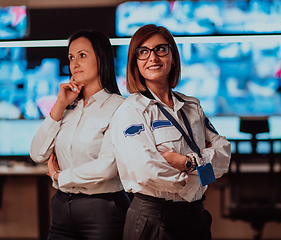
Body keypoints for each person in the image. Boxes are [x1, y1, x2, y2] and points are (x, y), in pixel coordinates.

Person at [110, 24, 231, 240]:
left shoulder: (192, 106)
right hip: (154, 218)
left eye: (161, 49)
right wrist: (202, 172)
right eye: (143, 52)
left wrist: (187, 163)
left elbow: (224, 157)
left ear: (173, 57)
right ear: (135, 62)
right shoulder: (131, 112)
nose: (153, 57)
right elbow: (146, 172)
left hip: (196, 216)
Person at [30, 30, 130, 240]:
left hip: (103, 210)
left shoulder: (120, 107)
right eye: (71, 57)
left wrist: (59, 177)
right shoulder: (66, 107)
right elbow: (38, 154)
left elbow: (106, 167)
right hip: (61, 207)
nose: (74, 63)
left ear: (101, 58)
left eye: (82, 55)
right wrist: (59, 105)